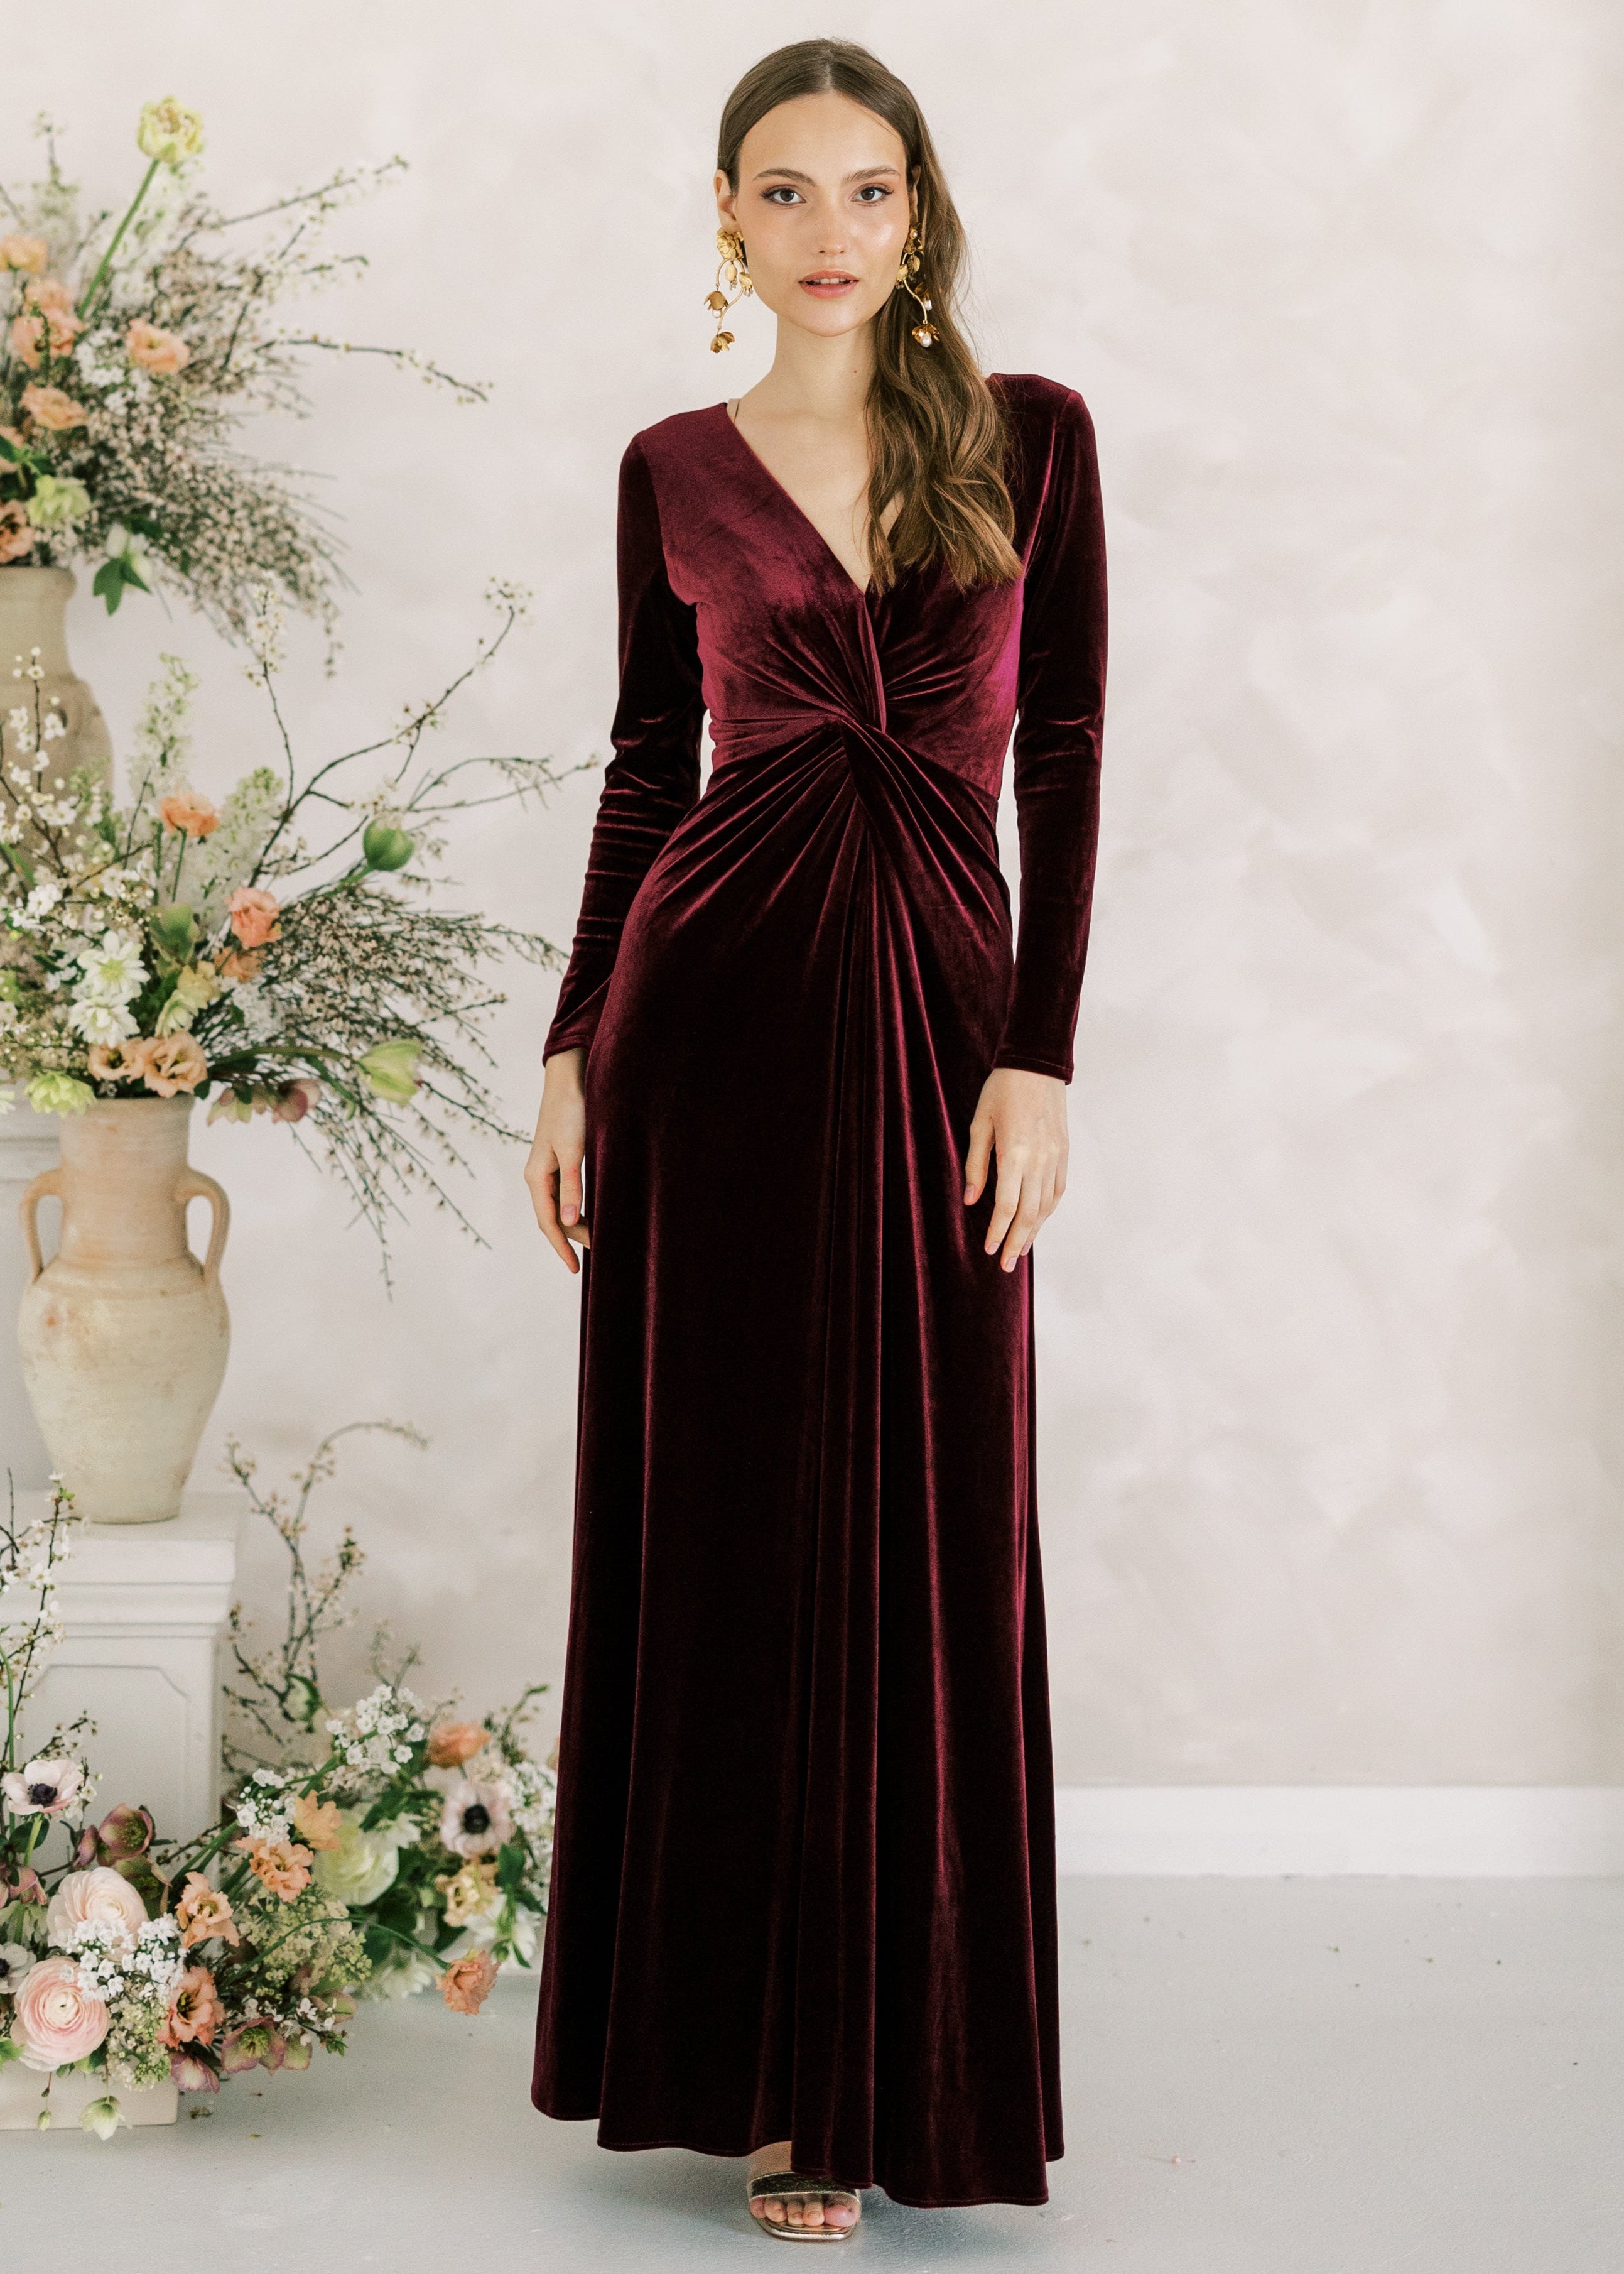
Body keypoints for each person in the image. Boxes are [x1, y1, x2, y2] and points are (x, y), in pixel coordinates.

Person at [524, 36, 1106, 2243]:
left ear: (918, 212)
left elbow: (1064, 747)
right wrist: (572, 1048)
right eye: (786, 192)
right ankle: (769, 2072)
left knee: (936, 1517)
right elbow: (639, 769)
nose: (830, 231)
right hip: (714, 1032)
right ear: (728, 220)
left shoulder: (1031, 441)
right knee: (731, 1521)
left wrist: (1039, 1055)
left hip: (950, 1022)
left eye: (868, 190)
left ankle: (901, 2054)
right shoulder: (671, 467)